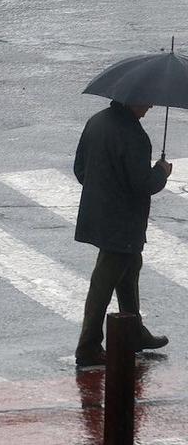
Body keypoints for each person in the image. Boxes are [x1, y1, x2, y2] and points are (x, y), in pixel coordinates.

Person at [73, 101, 171, 367]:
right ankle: (88, 346)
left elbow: (80, 169)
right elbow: (143, 185)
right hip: (123, 220)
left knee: (130, 268)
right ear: (132, 100)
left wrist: (103, 187)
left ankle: (134, 332)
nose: (150, 105)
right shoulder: (133, 135)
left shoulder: (97, 121)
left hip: (99, 212)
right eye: (146, 100)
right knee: (104, 280)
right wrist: (162, 172)